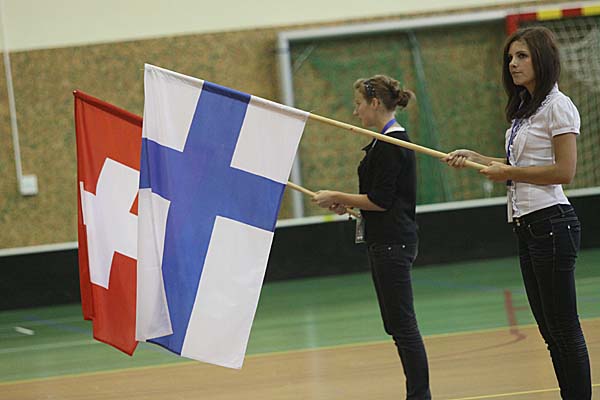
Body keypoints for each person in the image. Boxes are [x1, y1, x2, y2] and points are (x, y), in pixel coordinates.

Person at [443, 26, 591, 399]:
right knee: (550, 331)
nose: (513, 63)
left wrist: (508, 172)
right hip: (527, 226)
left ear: (541, 59)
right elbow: (518, 164)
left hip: (552, 223)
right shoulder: (526, 109)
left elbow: (565, 171)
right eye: (510, 57)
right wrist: (477, 158)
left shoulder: (558, 106)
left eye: (521, 56)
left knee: (564, 328)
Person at [313, 74, 431, 400]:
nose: (356, 112)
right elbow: (379, 201)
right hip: (385, 240)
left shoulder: (393, 144)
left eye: (358, 104)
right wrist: (349, 206)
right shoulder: (382, 142)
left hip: (393, 243)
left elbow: (381, 200)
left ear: (375, 103)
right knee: (396, 325)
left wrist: (337, 194)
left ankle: (419, 395)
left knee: (403, 326)